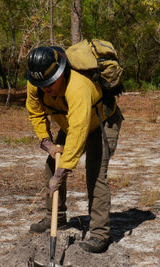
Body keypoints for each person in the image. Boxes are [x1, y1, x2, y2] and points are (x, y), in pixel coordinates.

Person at [26, 45, 123, 253]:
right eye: (41, 84)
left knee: (95, 173)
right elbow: (35, 113)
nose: (46, 88)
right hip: (69, 122)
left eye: (49, 83)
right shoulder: (36, 83)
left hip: (101, 122)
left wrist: (62, 173)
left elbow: (79, 131)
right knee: (52, 165)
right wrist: (48, 143)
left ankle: (99, 234)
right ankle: (56, 219)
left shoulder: (78, 87)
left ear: (59, 72)